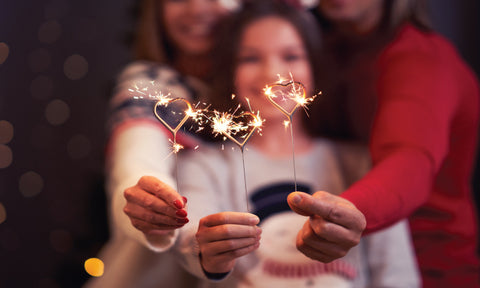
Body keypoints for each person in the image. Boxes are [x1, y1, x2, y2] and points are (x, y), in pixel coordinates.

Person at [172, 1, 420, 287]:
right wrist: (207, 252)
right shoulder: (205, 166)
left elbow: (397, 275)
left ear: (314, 65)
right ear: (230, 72)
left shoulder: (360, 164)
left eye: (291, 56)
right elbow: (188, 244)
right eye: (250, 59)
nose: (272, 73)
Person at [287, 0, 480, 286]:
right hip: (340, 267)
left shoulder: (422, 60)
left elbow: (408, 161)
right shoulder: (313, 46)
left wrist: (347, 212)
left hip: (428, 268)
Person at [85, 0, 235, 287]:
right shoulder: (149, 85)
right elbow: (138, 156)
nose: (197, 9)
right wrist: (145, 199)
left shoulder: (263, 89)